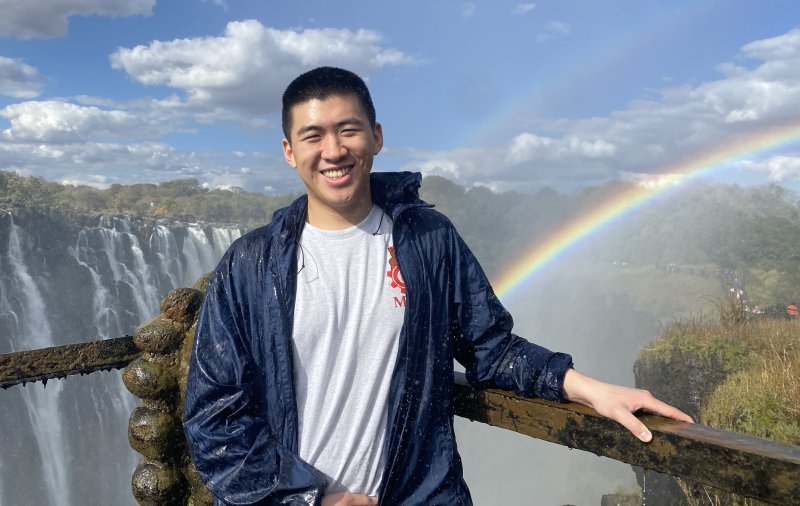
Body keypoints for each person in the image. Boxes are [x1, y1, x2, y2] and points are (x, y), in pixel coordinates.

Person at [183, 66, 693, 506]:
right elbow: (214, 416)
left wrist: (591, 390)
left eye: (349, 130)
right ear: (289, 151)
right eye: (313, 136)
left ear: (376, 137)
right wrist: (309, 496)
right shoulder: (252, 264)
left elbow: (490, 348)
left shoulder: (429, 240)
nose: (333, 150)